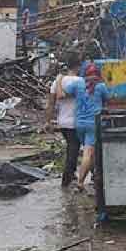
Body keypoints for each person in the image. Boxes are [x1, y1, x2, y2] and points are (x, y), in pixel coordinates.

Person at [60, 62, 110, 192]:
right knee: (88, 153)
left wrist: (59, 79)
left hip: (79, 124)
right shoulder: (101, 86)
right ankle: (81, 182)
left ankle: (95, 176)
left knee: (90, 152)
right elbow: (107, 99)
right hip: (93, 124)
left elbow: (64, 92)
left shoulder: (78, 84)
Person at [44, 54, 81, 187]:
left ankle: (72, 175)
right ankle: (66, 180)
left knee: (73, 149)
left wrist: (48, 122)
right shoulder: (80, 82)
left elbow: (50, 104)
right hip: (76, 122)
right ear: (78, 66)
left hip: (62, 122)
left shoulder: (57, 82)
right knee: (75, 149)